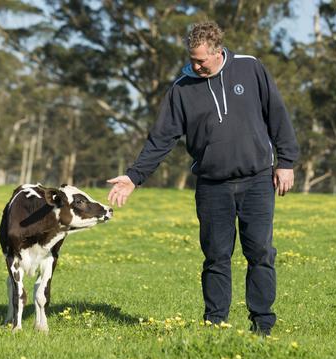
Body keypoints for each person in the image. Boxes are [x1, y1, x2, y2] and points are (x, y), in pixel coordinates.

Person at [107, 21, 299, 336]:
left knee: (261, 252)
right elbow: (161, 139)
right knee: (216, 256)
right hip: (212, 186)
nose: (195, 66)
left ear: (217, 51)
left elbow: (276, 114)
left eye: (201, 61)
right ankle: (215, 323)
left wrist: (286, 161)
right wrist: (133, 177)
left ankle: (262, 323)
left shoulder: (250, 69)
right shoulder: (182, 87)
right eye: (191, 60)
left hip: (257, 180)